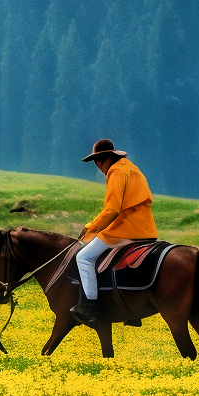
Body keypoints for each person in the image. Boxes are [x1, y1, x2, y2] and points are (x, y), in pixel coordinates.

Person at [72, 138, 156, 324]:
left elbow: (112, 210)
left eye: (96, 162)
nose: (98, 167)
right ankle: (132, 308)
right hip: (147, 229)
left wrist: (90, 227)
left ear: (101, 159)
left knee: (83, 257)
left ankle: (91, 307)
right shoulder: (132, 168)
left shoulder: (116, 172)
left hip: (126, 229)